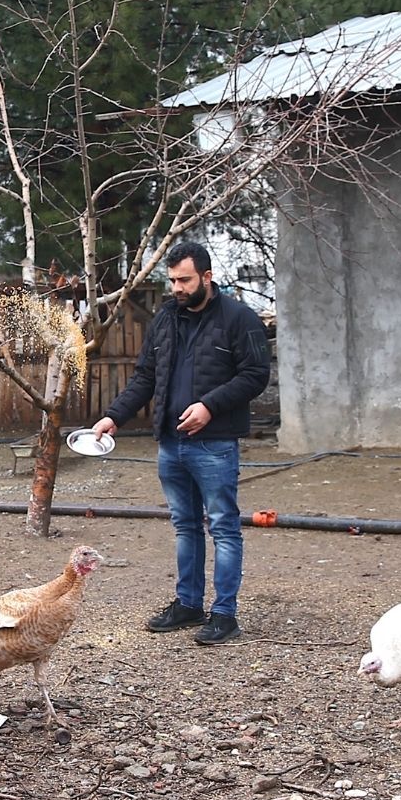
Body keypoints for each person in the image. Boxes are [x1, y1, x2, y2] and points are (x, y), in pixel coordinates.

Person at [90, 242, 269, 645]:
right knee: (185, 527)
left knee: (223, 526)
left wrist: (209, 406)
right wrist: (112, 416)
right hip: (171, 443)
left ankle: (224, 614)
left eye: (185, 279)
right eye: (172, 280)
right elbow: (145, 377)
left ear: (207, 277)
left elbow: (256, 374)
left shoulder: (239, 319)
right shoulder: (166, 319)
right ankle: (188, 604)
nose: (177, 288)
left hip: (215, 444)